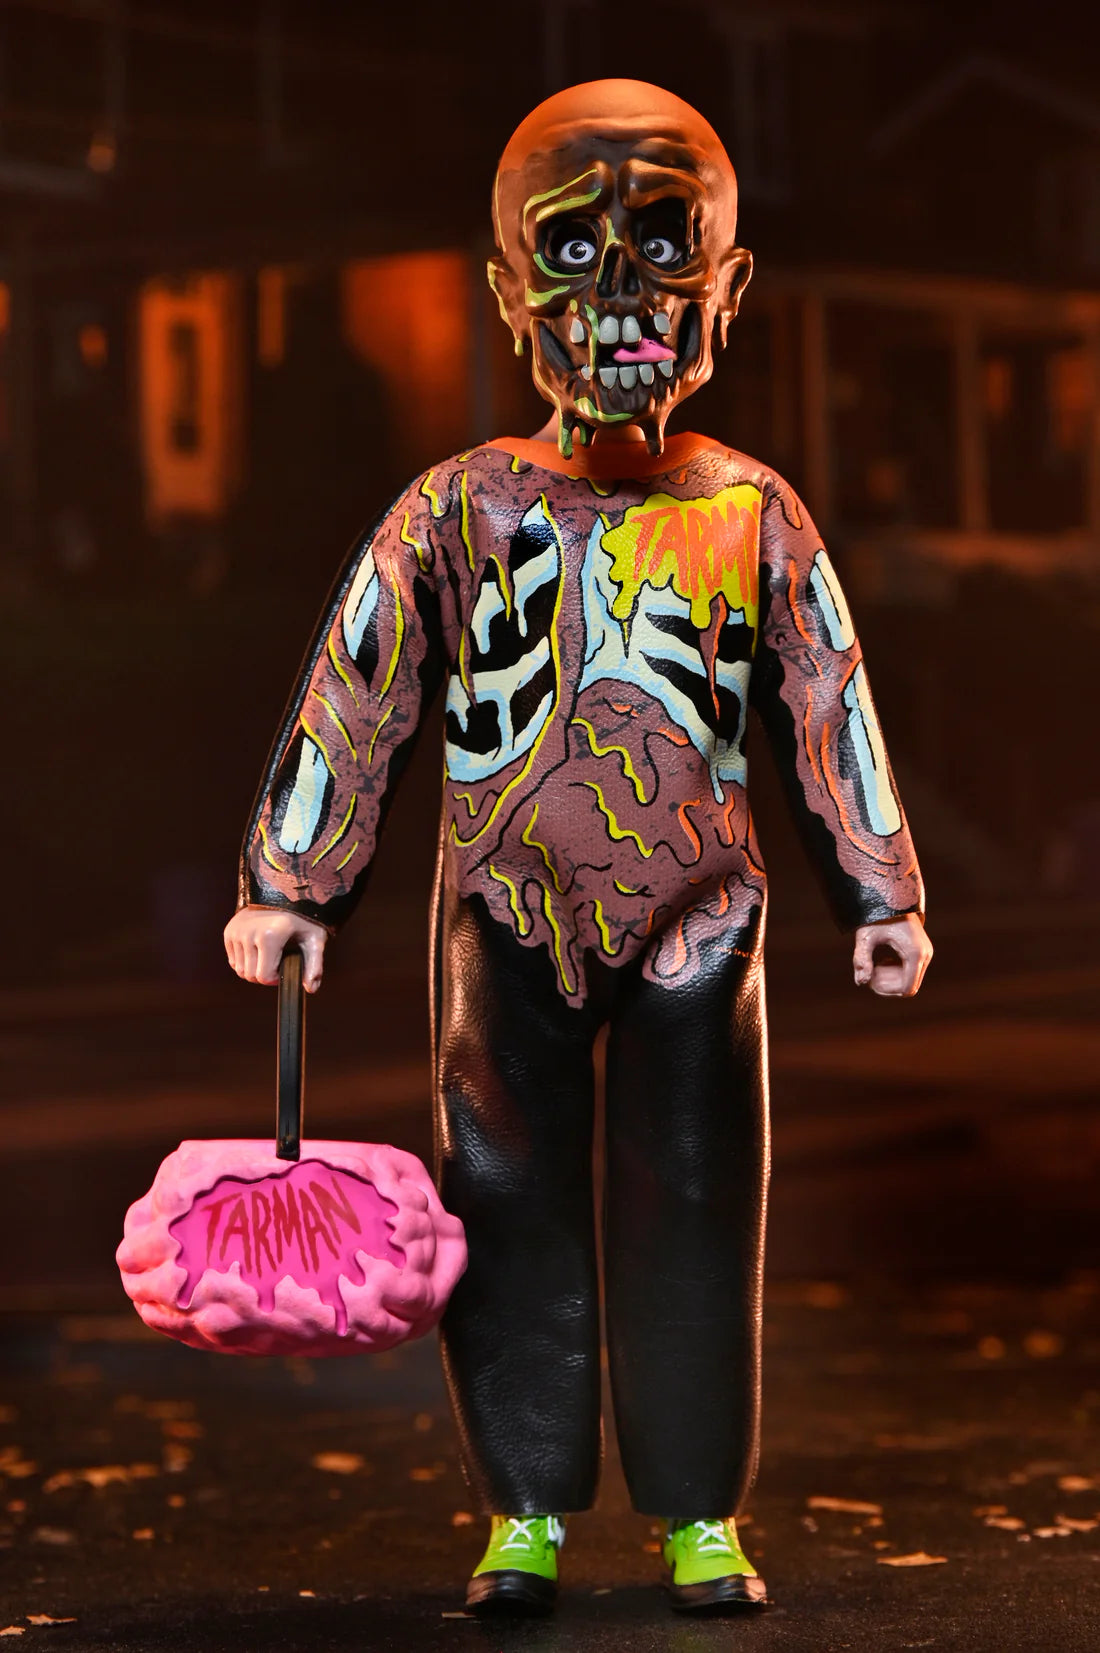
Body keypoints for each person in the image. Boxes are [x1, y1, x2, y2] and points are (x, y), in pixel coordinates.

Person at [225, 80, 932, 1618]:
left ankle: (700, 1511)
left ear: (728, 287)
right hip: (502, 910)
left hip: (703, 923)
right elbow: (362, 680)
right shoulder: (455, 509)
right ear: (506, 290)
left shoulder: (752, 511)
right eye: (570, 245)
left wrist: (878, 886)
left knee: (700, 1195)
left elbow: (828, 696)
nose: (619, 286)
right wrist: (294, 883)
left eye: (666, 238)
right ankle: (524, 1507)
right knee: (502, 1194)